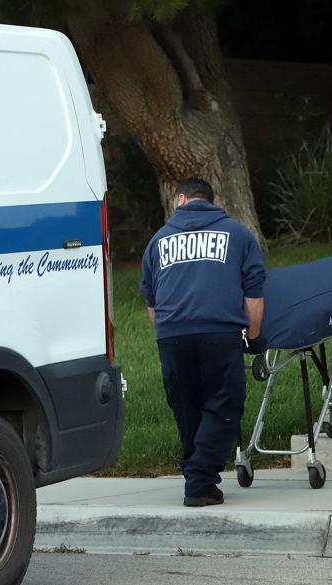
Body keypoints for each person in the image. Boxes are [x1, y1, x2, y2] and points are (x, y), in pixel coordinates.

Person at [140, 177, 266, 507]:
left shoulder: (158, 240)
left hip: (171, 335)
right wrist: (253, 339)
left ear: (180, 200)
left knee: (186, 406)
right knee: (225, 402)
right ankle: (198, 479)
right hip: (219, 332)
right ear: (210, 201)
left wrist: (167, 336)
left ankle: (200, 480)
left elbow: (152, 305)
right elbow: (253, 298)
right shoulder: (238, 235)